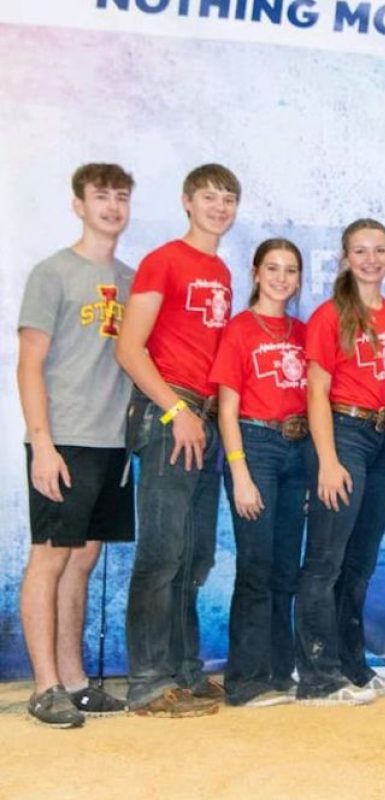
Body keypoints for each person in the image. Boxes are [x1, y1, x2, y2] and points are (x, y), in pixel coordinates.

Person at [117, 163, 241, 717]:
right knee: (162, 553)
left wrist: (202, 416)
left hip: (206, 417)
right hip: (171, 412)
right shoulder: (163, 260)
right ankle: (146, 680)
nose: (219, 207)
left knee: (195, 556)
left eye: (228, 199)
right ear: (187, 201)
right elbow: (129, 348)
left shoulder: (221, 270)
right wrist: (175, 411)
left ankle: (186, 673)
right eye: (209, 197)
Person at [18, 163, 137, 727]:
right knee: (51, 555)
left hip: (112, 442)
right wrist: (42, 443)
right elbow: (29, 364)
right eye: (101, 197)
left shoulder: (132, 279)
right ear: (78, 204)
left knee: (84, 559)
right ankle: (44, 686)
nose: (112, 207)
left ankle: (74, 680)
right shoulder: (52, 273)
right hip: (63, 437)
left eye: (120, 197)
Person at [295, 219, 385, 705]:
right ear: (345, 258)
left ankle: (349, 662)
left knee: (359, 563)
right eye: (360, 251)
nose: (370, 259)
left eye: (379, 250)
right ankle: (316, 675)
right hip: (344, 434)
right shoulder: (330, 316)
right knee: (325, 561)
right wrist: (326, 460)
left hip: (384, 439)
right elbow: (316, 390)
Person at [210, 238, 310, 708]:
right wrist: (240, 472)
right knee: (255, 566)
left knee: (285, 568)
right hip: (255, 446)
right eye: (273, 268)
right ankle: (245, 679)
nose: (281, 277)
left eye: (291, 270)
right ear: (255, 272)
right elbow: (226, 410)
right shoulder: (239, 330)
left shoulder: (304, 332)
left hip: (297, 450)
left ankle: (276, 669)